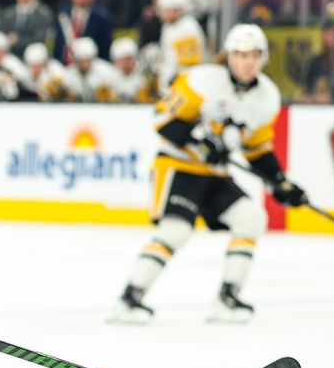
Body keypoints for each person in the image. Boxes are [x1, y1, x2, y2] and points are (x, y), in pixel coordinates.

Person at [109, 24, 308, 324]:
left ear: (263, 58)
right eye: (241, 55)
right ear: (229, 56)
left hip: (216, 173)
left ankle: (227, 299)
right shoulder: (200, 80)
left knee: (251, 219)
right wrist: (200, 141)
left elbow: (256, 149)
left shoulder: (267, 97)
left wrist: (279, 181)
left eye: (254, 55)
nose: (248, 62)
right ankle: (129, 299)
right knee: (176, 231)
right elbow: (163, 120)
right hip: (179, 167)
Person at [155, 0, 206, 93]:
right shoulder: (168, 27)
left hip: (183, 84)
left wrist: (175, 79)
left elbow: (190, 62)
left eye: (167, 10)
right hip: (170, 83)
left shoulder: (188, 26)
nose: (164, 14)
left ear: (178, 9)